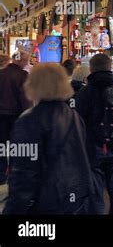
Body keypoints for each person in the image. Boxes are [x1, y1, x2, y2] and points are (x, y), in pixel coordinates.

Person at [3, 63, 93, 214]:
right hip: (77, 194)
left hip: (47, 200)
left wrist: (13, 208)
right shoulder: (73, 115)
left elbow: (23, 172)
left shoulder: (28, 121)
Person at [74, 54, 113, 215]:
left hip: (93, 149)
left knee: (96, 191)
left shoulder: (85, 92)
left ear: (91, 69)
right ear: (110, 67)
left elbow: (79, 121)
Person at [0, 51, 31, 184]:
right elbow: (25, 98)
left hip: (1, 116)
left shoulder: (1, 73)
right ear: (21, 61)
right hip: (16, 117)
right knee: (16, 146)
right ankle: (13, 173)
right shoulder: (23, 76)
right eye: (26, 61)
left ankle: (1, 174)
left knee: (1, 145)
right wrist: (29, 115)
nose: (27, 64)